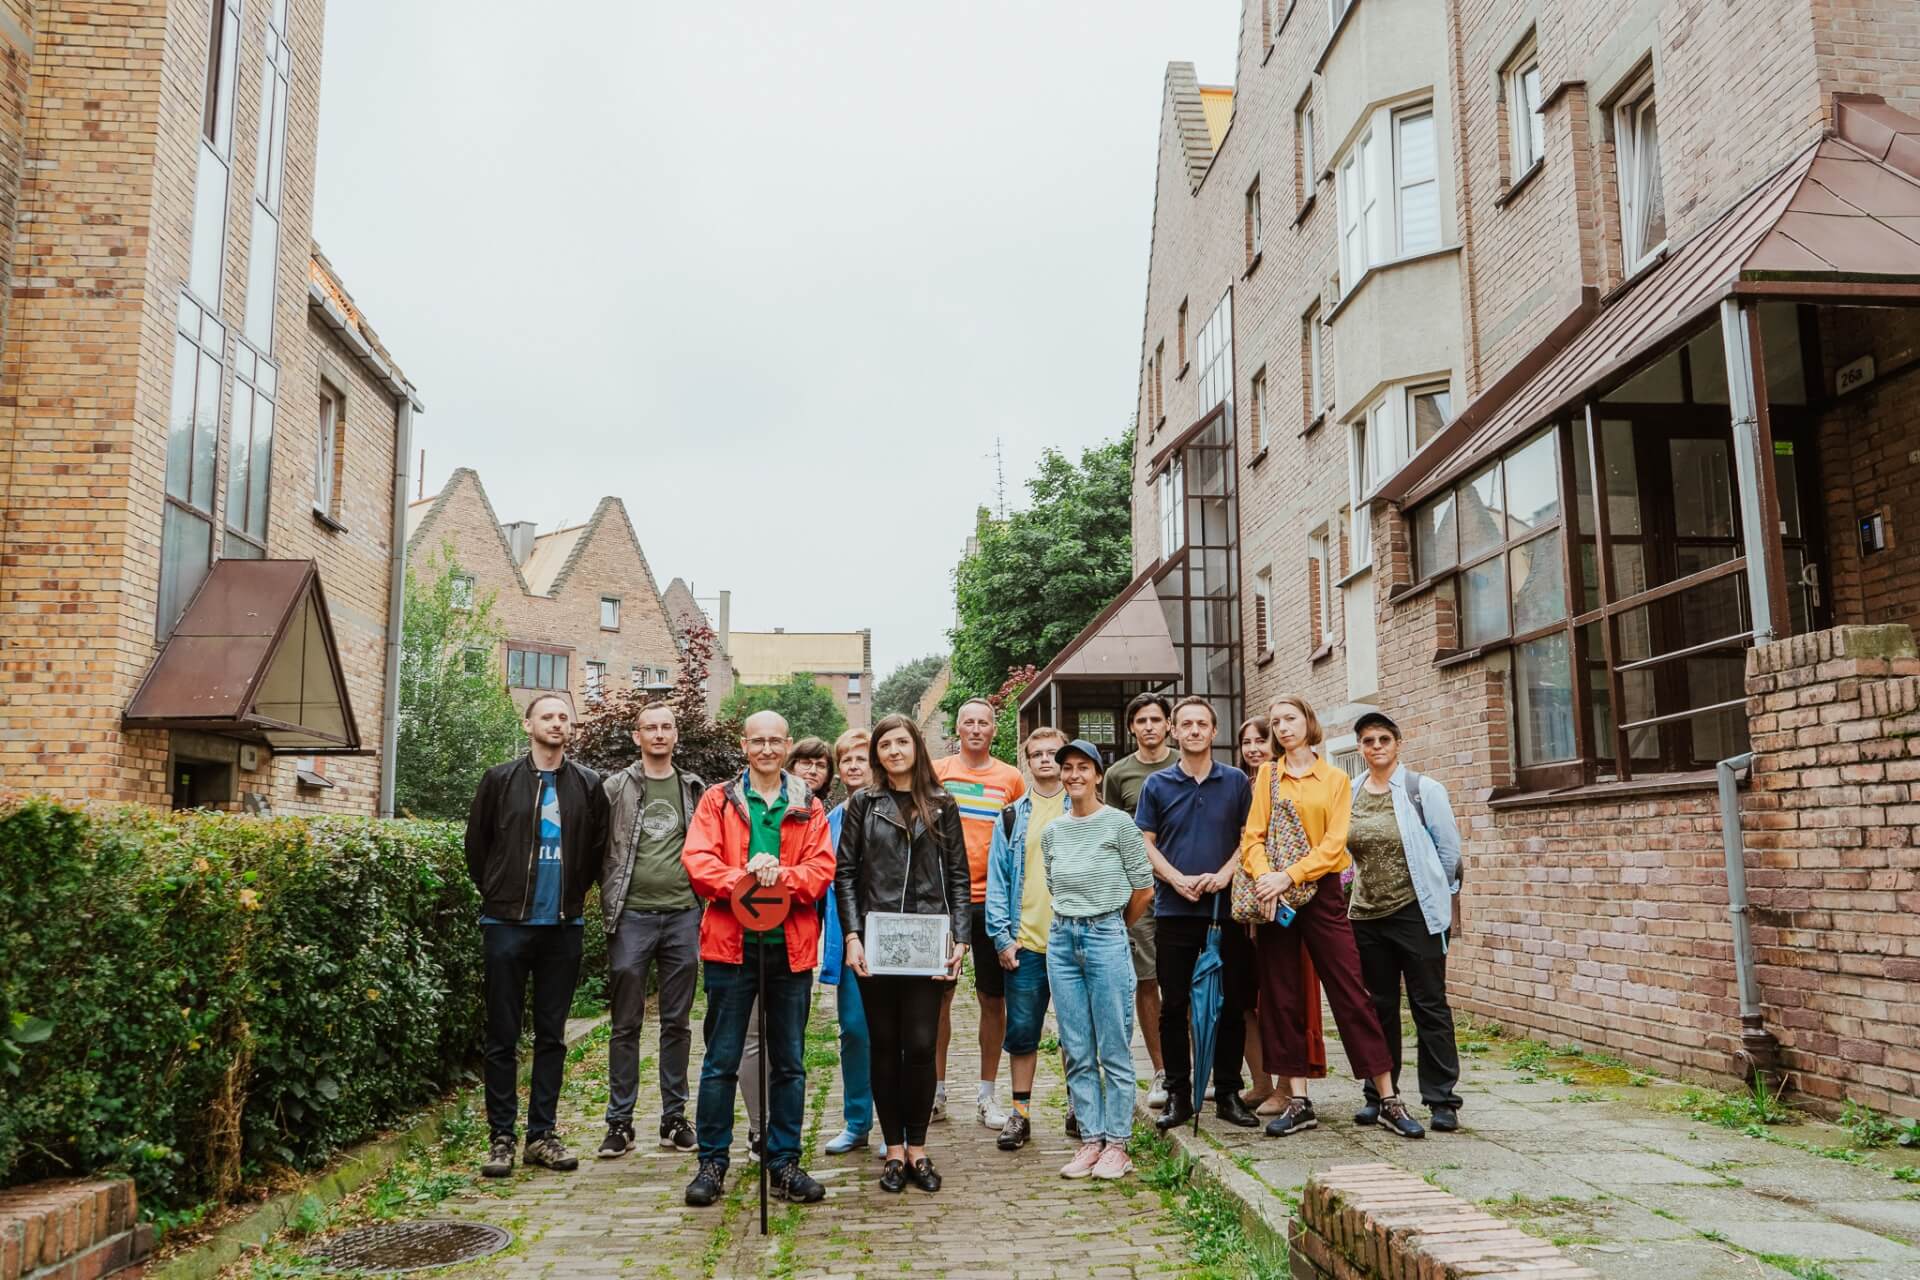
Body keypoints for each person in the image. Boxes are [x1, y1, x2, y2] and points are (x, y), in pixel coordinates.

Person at [1240, 696, 1424, 1140]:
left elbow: (1335, 845)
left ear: (1308, 721)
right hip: (1275, 898)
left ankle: (1387, 1097)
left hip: (1319, 893)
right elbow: (1253, 838)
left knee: (1351, 990)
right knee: (1282, 995)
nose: (1283, 728)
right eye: (1276, 723)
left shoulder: (1337, 778)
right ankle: (1298, 1100)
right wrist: (1266, 879)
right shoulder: (1267, 776)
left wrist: (1288, 876)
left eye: (1291, 719)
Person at [681, 711, 836, 1208]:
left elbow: (820, 871)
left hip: (789, 950)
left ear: (787, 745)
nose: (767, 749)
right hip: (731, 947)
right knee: (720, 1060)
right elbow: (699, 862)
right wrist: (744, 876)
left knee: (789, 1061)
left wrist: (779, 875)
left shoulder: (807, 804)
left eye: (775, 741)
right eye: (758, 741)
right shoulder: (718, 800)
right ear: (744, 744)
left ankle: (784, 1161)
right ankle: (712, 1162)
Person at [465, 693, 610, 1178]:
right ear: (528, 724)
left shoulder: (589, 785)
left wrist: (570, 898)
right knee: (502, 1035)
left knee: (553, 1037)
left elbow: (595, 851)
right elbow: (477, 847)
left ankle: (541, 1135)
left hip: (563, 929)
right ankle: (501, 1137)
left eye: (564, 717)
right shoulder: (499, 780)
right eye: (547, 716)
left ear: (572, 729)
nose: (557, 723)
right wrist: (498, 893)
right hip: (506, 926)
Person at [837, 715, 971, 1194]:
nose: (894, 751)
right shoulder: (862, 804)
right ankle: (893, 1149)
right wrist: (852, 935)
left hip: (928, 942)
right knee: (884, 1046)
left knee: (919, 1045)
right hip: (877, 942)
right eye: (885, 744)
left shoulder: (942, 803)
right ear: (876, 754)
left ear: (916, 747)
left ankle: (919, 1146)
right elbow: (846, 874)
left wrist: (961, 936)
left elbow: (958, 874)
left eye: (901, 742)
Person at [1137, 697, 1258, 1131]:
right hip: (1173, 911)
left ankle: (1227, 1092)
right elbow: (1144, 842)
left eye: (1201, 724)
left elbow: (1251, 838)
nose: (1193, 731)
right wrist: (1172, 878)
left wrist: (1226, 874)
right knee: (1175, 1006)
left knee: (1230, 1002)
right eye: (1185, 724)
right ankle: (1179, 1095)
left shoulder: (1236, 782)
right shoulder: (1157, 785)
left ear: (1213, 731)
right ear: (1174, 730)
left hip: (1224, 911)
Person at [598, 700, 706, 1159]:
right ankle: (619, 1122)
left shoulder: (694, 788)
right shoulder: (612, 789)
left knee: (677, 1023)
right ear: (637, 737)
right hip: (631, 917)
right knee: (625, 1023)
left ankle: (673, 1117)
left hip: (683, 914)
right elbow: (595, 848)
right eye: (650, 728)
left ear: (676, 736)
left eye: (667, 727)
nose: (659, 734)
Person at [1349, 712, 1464, 1132]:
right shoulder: (1351, 792)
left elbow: (1449, 852)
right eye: (1367, 741)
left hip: (1416, 914)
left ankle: (1441, 1100)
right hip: (1366, 915)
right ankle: (1379, 1095)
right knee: (1376, 1008)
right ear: (1359, 748)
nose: (1376, 746)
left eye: (1383, 739)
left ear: (1398, 743)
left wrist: (1439, 896)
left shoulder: (1422, 790)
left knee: (1429, 1005)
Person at [1045, 738, 1155, 1181]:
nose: (1073, 775)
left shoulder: (1119, 825)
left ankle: (1117, 1144)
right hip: (1062, 938)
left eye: (1082, 767)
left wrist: (1112, 927)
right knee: (1076, 1048)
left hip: (1106, 932)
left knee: (1113, 1046)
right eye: (1066, 768)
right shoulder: (1054, 830)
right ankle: (1090, 1140)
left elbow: (1143, 889)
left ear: (1096, 774)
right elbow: (1055, 883)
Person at [738, 735, 835, 1154]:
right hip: (743, 940)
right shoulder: (736, 802)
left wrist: (784, 876)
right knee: (751, 1038)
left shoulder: (816, 814)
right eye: (805, 763)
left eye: (820, 765)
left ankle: (783, 1140)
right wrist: (755, 874)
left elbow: (820, 875)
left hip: (796, 938)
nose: (812, 771)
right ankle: (760, 1128)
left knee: (789, 1045)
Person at [932, 697, 1026, 1128]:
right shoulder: (938, 772)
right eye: (967, 721)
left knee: (993, 998)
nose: (975, 728)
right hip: (946, 900)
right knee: (939, 997)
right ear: (957, 728)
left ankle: (987, 1095)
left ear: (993, 729)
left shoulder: (1011, 778)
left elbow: (1021, 838)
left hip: (993, 903)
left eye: (983, 722)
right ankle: (935, 1091)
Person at [1234, 717, 1328, 1115]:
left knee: (1287, 997)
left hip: (1291, 901)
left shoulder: (1288, 783)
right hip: (1254, 901)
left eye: (1261, 740)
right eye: (1246, 742)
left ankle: (1290, 1088)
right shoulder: (1249, 785)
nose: (1254, 747)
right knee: (1256, 997)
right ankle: (1263, 1082)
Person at [983, 725, 1071, 1150]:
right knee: (1021, 1032)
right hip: (1028, 944)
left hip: (1076, 941)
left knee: (1078, 1031)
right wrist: (1002, 938)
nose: (1044, 760)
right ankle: (1020, 1115)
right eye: (1035, 754)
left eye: (1053, 753)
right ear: (1027, 761)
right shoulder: (1012, 816)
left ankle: (1080, 1109)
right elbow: (997, 881)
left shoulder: (1087, 808)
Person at [1101, 692, 1172, 1110]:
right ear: (1132, 728)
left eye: (1155, 719)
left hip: (1185, 889)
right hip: (1140, 890)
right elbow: (1109, 831)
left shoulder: (1183, 763)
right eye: (1141, 721)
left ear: (1168, 724)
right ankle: (1161, 1072)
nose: (1148, 727)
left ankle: (1193, 1068)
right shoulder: (1118, 774)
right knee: (1147, 981)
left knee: (1185, 981)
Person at [820, 730, 877, 1155]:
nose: (854, 765)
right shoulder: (830, 821)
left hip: (894, 941)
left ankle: (898, 1125)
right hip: (850, 941)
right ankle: (857, 1121)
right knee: (854, 1032)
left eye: (861, 757)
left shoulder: (899, 808)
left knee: (894, 1035)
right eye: (847, 760)